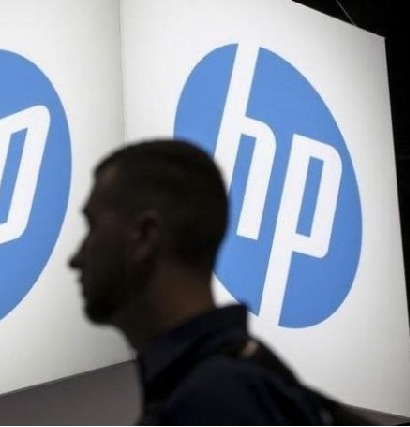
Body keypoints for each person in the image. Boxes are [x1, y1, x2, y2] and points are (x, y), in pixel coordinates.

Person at [68, 137, 326, 425]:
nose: (75, 259)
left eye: (92, 227)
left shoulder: (213, 401)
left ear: (145, 236)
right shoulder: (237, 384)